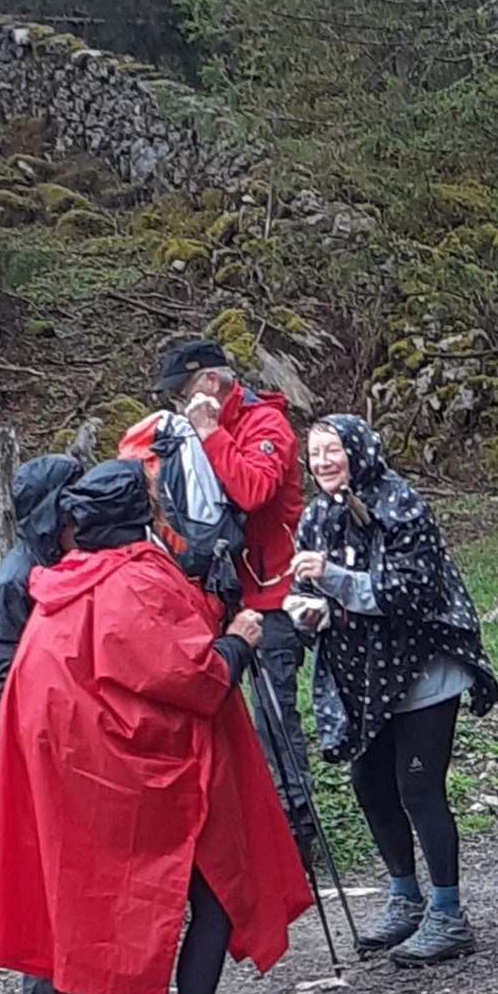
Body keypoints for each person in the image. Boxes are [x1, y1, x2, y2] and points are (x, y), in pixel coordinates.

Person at [0, 460, 313, 994]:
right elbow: (192, 679)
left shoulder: (64, 583)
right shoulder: (133, 582)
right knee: (212, 899)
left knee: (142, 913)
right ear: (139, 514)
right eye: (155, 497)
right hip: (157, 780)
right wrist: (239, 640)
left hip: (98, 786)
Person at [291, 416, 494, 967]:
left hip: (423, 671)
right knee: (370, 785)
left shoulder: (400, 505)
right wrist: (306, 611)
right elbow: (306, 591)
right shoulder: (316, 516)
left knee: (419, 787)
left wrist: (332, 579)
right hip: (365, 681)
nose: (323, 461)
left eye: (333, 450)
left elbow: (411, 591)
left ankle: (448, 914)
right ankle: (405, 898)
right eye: (315, 453)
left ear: (359, 451)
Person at [153, 337, 312, 852]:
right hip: (220, 592)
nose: (178, 405)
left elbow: (252, 491)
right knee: (221, 710)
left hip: (270, 594)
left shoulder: (267, 425)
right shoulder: (195, 430)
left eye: (182, 394)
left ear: (209, 383)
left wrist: (208, 431)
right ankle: (242, 820)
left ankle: (296, 825)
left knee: (273, 716)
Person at [0, 452, 114, 994]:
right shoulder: (16, 579)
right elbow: (4, 676)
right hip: (42, 747)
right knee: (43, 870)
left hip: (77, 743)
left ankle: (84, 985)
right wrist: (46, 735)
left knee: (84, 864)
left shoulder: (64, 563)